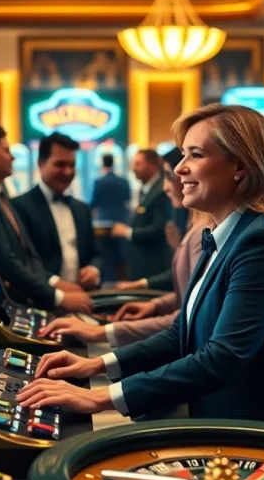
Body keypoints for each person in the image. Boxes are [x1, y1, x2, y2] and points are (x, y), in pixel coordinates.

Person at [16, 104, 264, 429]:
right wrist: (94, 365)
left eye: (195, 155)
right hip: (223, 421)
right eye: (182, 155)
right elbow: (183, 332)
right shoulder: (225, 233)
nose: (179, 169)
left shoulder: (263, 242)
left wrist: (98, 398)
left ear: (240, 164)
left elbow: (221, 360)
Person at [39, 147, 203, 346]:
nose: (166, 186)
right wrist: (154, 305)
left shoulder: (202, 234)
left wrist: (103, 335)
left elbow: (190, 318)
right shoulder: (196, 228)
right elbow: (189, 298)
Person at [0, 125, 92, 312]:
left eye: (72, 165)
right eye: (6, 150)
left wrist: (58, 284)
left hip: (63, 296)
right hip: (25, 302)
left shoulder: (2, 195)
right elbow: (8, 261)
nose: (13, 156)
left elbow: (29, 256)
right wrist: (57, 296)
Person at [12, 133, 102, 296]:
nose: (67, 172)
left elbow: (96, 253)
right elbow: (21, 263)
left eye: (72, 165)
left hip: (83, 298)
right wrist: (56, 285)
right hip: (39, 300)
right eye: (60, 164)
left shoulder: (82, 208)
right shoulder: (19, 207)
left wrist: (94, 269)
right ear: (41, 164)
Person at [112, 149, 174, 281]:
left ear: (152, 165)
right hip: (142, 266)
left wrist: (128, 232)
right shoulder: (146, 190)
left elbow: (159, 230)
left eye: (138, 164)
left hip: (153, 267)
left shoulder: (161, 191)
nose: (133, 168)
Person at [91, 153, 131, 280]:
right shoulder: (123, 181)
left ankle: (109, 282)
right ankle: (123, 281)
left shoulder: (99, 182)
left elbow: (94, 202)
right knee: (121, 256)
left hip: (104, 224)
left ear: (103, 163)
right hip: (122, 221)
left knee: (106, 255)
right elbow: (128, 198)